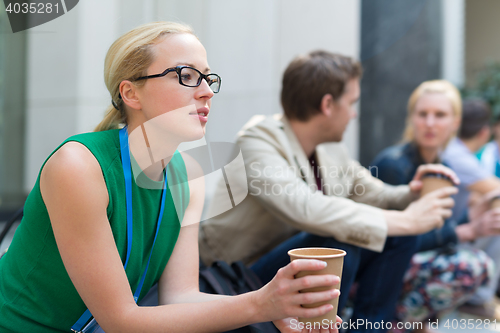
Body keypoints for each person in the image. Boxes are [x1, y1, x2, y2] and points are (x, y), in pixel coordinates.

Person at [0, 22, 343, 333]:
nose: (207, 91)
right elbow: (122, 320)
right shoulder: (78, 166)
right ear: (131, 93)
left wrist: (271, 309)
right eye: (187, 76)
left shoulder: (188, 176)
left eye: (208, 78)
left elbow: (180, 298)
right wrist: (259, 303)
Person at [199, 51, 458, 333]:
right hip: (236, 280)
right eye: (352, 103)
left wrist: (414, 191)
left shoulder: (330, 147)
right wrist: (407, 219)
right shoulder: (257, 139)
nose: (354, 113)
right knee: (338, 241)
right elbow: (306, 207)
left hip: (291, 267)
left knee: (396, 237)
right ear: (327, 105)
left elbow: (376, 193)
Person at [371, 82, 498, 332]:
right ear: (412, 119)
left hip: (407, 264)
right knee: (472, 266)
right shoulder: (393, 164)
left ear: (455, 122)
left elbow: (434, 229)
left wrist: (472, 216)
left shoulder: (445, 163)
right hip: (374, 274)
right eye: (423, 114)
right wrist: (468, 230)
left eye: (440, 115)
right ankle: (396, 323)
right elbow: (393, 243)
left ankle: (417, 322)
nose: (430, 123)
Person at [441, 99, 500, 319]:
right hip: (444, 236)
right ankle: (478, 299)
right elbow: (495, 188)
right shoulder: (458, 155)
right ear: (486, 132)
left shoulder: (457, 152)